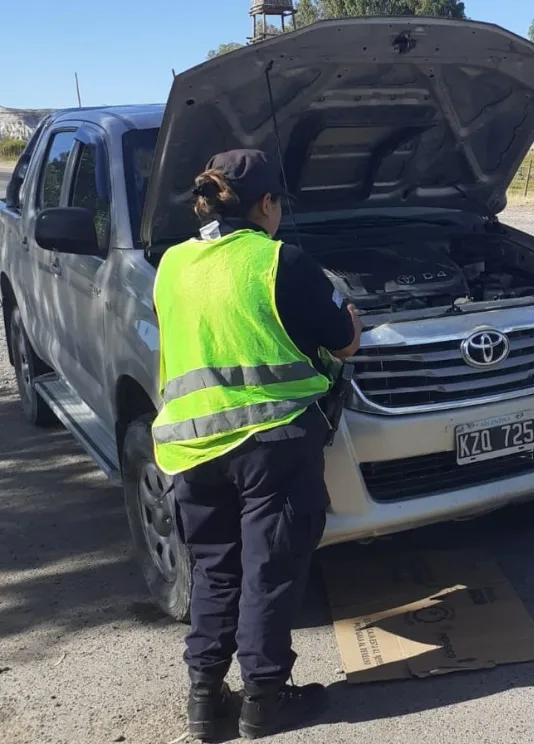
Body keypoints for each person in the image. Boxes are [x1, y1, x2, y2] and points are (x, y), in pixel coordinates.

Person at [151, 149, 362, 741]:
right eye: (279, 204)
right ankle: (264, 701)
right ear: (266, 204)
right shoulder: (278, 262)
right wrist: (351, 314)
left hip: (190, 449)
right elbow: (343, 342)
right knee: (267, 571)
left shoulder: (171, 265)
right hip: (270, 444)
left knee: (216, 571)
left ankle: (203, 699)